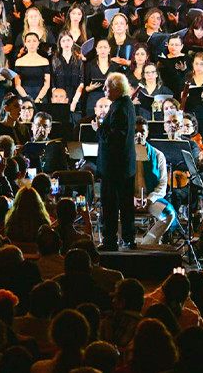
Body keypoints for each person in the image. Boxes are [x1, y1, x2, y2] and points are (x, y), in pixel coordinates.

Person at [95, 73, 137, 251]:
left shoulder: (120, 108)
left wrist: (99, 128)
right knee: (125, 205)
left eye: (107, 86)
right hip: (123, 166)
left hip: (115, 167)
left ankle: (110, 240)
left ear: (117, 89)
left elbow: (114, 138)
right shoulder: (124, 105)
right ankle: (128, 238)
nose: (104, 89)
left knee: (111, 205)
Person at [133, 117, 178, 245]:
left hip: (150, 199)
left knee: (169, 214)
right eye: (135, 131)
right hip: (128, 199)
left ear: (147, 133)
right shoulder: (123, 155)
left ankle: (146, 244)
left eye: (142, 131)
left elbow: (163, 184)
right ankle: (123, 243)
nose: (139, 135)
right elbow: (118, 182)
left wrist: (149, 200)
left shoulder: (158, 155)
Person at [72, 39, 114, 116]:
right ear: (96, 50)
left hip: (110, 98)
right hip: (93, 98)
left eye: (105, 47)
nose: (103, 50)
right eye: (100, 47)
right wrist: (90, 88)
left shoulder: (115, 67)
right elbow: (85, 86)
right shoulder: (89, 65)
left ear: (109, 49)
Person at [14, 32, 52, 102]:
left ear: (38, 43)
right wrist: (27, 98)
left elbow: (47, 84)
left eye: (34, 41)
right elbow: (17, 85)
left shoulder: (44, 61)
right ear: (25, 43)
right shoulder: (19, 62)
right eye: (29, 41)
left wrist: (38, 99)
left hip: (41, 96)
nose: (32, 44)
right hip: (23, 97)